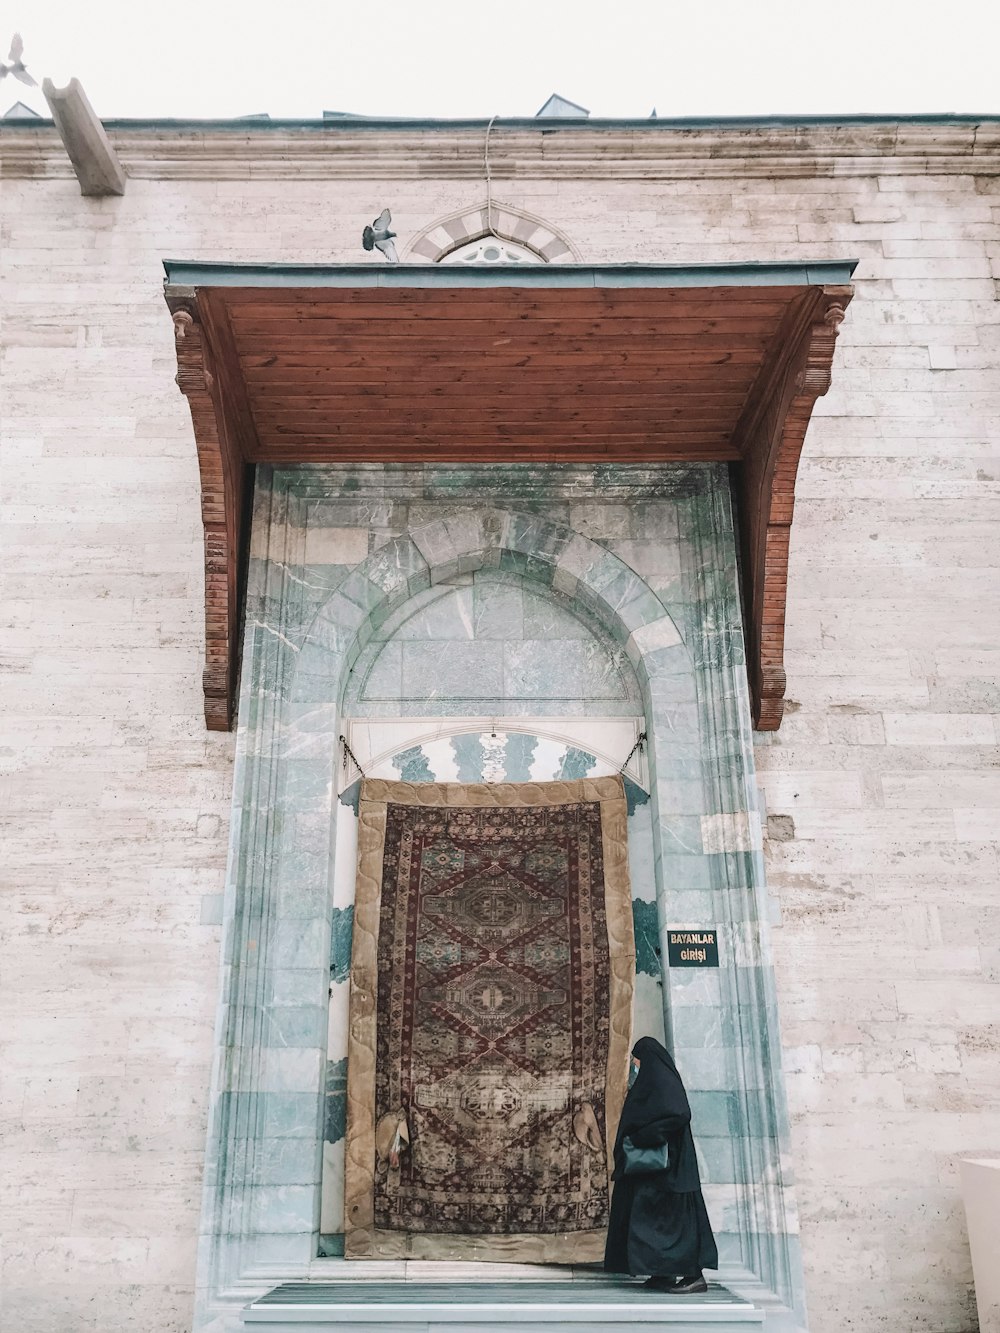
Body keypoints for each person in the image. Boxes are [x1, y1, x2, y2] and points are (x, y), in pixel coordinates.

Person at [604, 1036, 718, 1293]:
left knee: (675, 1225)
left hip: (671, 1171)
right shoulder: (654, 1083)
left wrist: (645, 1136)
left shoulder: (662, 1083)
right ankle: (662, 1273)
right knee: (653, 1225)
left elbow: (678, 1113)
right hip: (655, 1171)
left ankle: (694, 1276)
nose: (634, 1066)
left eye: (637, 1060)